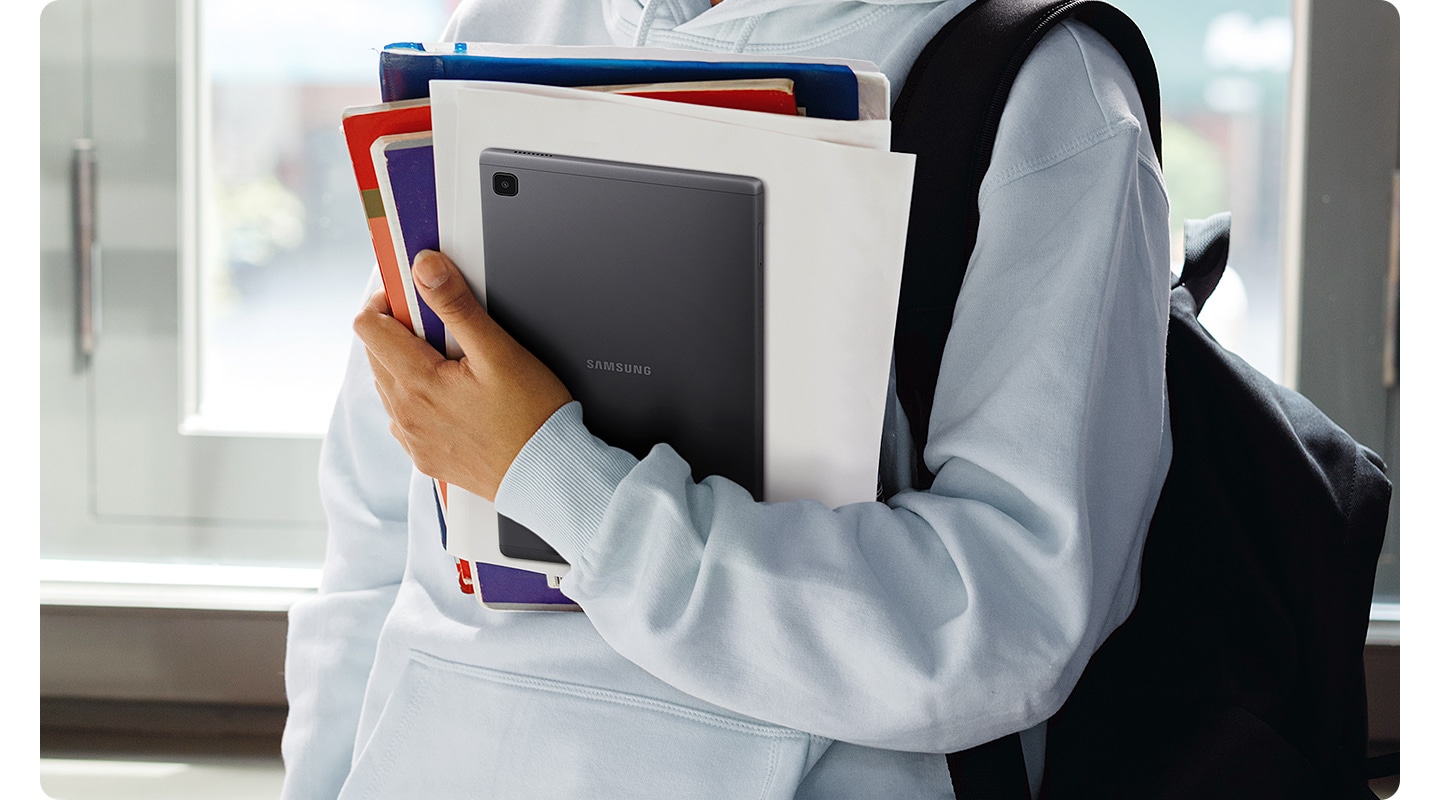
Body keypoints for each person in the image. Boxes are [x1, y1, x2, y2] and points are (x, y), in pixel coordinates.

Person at [280, 0, 1173, 797]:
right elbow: (378, 522)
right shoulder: (500, 25)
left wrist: (551, 478)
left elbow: (1005, 620)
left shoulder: (1047, 99)